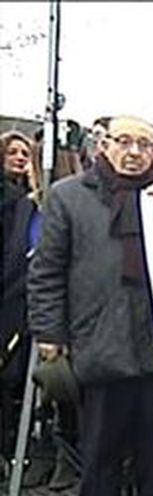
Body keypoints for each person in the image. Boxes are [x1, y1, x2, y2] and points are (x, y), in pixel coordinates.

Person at [27, 115, 153, 496]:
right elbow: (47, 271)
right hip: (96, 329)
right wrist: (49, 332)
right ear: (104, 145)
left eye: (144, 145)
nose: (134, 153)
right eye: (124, 142)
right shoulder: (68, 197)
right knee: (100, 430)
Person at [1, 133, 43, 477]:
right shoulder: (12, 202)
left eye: (24, 153)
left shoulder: (29, 202)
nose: (18, 157)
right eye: (12, 152)